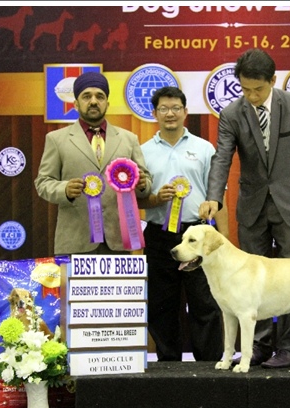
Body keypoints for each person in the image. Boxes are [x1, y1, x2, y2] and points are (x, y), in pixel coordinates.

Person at [199, 48, 290, 369]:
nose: (252, 96)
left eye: (258, 89)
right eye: (245, 89)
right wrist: (214, 196)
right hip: (252, 206)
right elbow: (222, 157)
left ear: (273, 80)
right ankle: (257, 345)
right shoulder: (232, 114)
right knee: (247, 281)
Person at [139, 86, 227, 362]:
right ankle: (168, 364)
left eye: (176, 108)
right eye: (163, 109)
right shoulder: (142, 152)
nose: (170, 114)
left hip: (199, 235)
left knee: (205, 302)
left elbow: (217, 194)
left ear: (185, 112)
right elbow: (137, 200)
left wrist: (222, 238)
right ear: (154, 113)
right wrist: (156, 198)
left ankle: (210, 364)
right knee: (161, 304)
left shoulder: (204, 148)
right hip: (159, 236)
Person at [35, 71, 152, 255]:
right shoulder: (56, 139)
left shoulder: (129, 139)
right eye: (86, 96)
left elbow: (146, 183)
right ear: (76, 104)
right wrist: (64, 190)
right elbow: (43, 183)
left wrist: (143, 184)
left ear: (107, 103)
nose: (94, 101)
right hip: (76, 242)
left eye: (100, 96)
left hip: (118, 242)